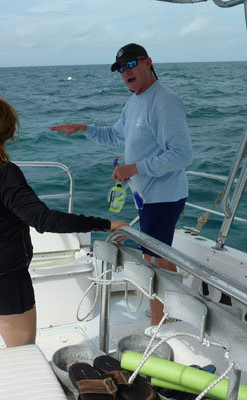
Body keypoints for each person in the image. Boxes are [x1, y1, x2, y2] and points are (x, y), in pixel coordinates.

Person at [0, 97, 127, 347]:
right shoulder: (5, 173)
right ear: (11, 132)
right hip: (5, 278)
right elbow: (44, 219)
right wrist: (104, 224)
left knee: (15, 346)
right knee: (22, 351)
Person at [49, 43, 193, 325]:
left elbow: (181, 154)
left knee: (156, 258)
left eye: (131, 65)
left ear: (148, 62)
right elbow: (117, 136)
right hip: (146, 195)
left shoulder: (164, 101)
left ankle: (162, 323)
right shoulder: (135, 101)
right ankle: (170, 313)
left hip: (164, 196)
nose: (126, 72)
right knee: (157, 256)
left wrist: (134, 168)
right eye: (120, 69)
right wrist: (83, 129)